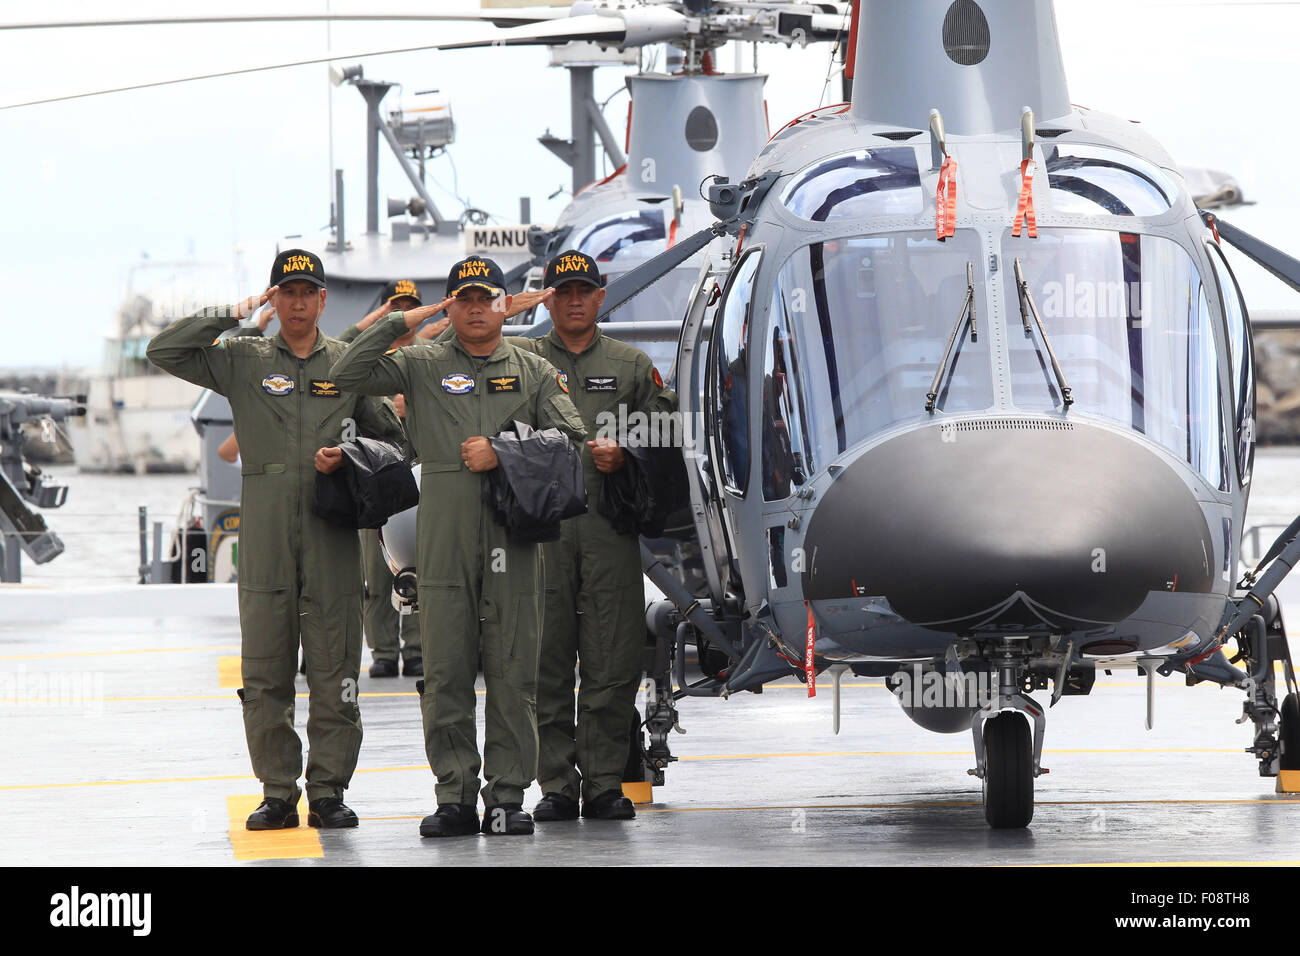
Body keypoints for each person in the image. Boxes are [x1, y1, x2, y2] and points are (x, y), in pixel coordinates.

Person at [147, 249, 405, 830]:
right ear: (273, 298)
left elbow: (399, 447)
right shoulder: (241, 359)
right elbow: (163, 350)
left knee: (336, 667)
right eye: (284, 292)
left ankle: (330, 792)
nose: (295, 302)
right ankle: (279, 792)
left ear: (321, 301)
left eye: (305, 292)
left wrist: (354, 458)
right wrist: (231, 313)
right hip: (263, 541)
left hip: (331, 535)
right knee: (264, 671)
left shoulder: (350, 366)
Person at [330, 256, 587, 838]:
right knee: (444, 670)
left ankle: (505, 798)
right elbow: (345, 373)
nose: (476, 308)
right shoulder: (419, 364)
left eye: (486, 298)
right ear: (451, 306)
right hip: (441, 534)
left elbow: (573, 439)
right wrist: (405, 322)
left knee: (514, 669)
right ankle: (454, 796)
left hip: (513, 535)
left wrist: (504, 452)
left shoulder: (531, 369)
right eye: (463, 299)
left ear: (502, 304)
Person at [511, 250, 678, 821]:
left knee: (612, 660)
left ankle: (605, 780)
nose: (575, 300)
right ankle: (556, 784)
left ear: (602, 297)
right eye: (563, 292)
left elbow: (668, 437)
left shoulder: (632, 366)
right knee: (545, 660)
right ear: (548, 299)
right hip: (541, 534)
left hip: (608, 531)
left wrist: (627, 454)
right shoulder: (522, 361)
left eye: (585, 290)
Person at [338, 280, 436, 679]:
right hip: (377, 475)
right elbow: (339, 355)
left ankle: (415, 649)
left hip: (418, 473)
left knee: (417, 565)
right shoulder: (369, 358)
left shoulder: (429, 357)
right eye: (396, 307)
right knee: (377, 576)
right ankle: (382, 651)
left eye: (410, 307)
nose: (404, 315)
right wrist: (377, 323)